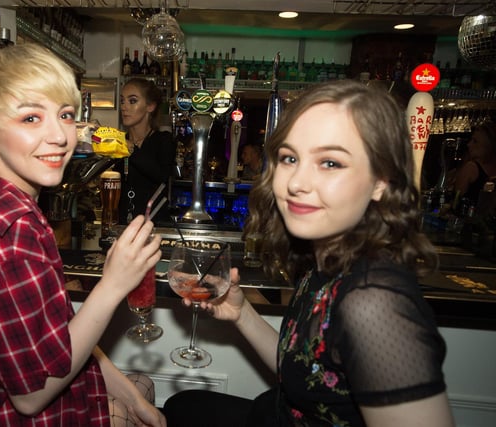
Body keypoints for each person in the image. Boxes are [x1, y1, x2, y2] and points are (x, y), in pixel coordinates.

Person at [163, 79, 454, 427]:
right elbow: (308, 374)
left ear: (382, 181)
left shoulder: (373, 302)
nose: (296, 182)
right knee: (181, 405)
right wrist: (242, 315)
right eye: (289, 158)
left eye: (330, 163)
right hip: (271, 413)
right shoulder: (327, 262)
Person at [0, 44, 166, 427]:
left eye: (65, 115)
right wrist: (114, 284)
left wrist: (132, 397)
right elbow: (31, 395)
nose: (59, 137)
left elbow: (52, 334)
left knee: (143, 388)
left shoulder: (7, 203)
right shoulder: (8, 232)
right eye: (31, 118)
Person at [116, 78, 175, 224]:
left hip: (154, 224)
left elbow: (160, 175)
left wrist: (131, 149)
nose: (124, 107)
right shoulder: (118, 141)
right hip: (122, 224)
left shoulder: (163, 140)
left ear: (150, 106)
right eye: (122, 101)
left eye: (132, 101)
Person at [452, 122, 496, 211]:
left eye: (475, 141)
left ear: (488, 146)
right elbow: (456, 202)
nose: (469, 145)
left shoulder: (472, 168)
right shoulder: (471, 167)